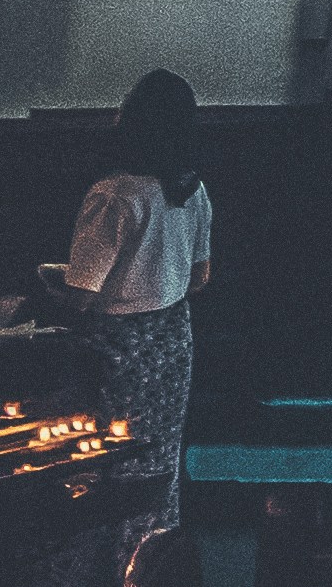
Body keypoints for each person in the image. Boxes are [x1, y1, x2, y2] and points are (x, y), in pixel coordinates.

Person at [51, 70, 212, 584]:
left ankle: (90, 571)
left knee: (102, 460)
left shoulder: (116, 194)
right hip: (172, 337)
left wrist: (45, 282)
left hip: (116, 345)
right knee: (155, 459)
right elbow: (200, 278)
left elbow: (83, 292)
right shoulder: (192, 190)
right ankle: (148, 567)